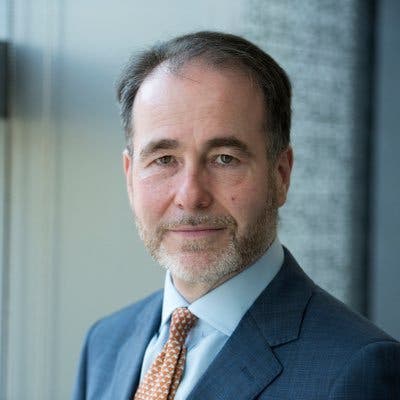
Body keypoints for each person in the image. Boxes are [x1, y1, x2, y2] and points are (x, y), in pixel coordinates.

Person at [72, 31, 400, 400]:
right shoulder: (104, 344)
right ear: (130, 176)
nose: (191, 196)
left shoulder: (356, 370)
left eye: (225, 159)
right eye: (164, 160)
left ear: (280, 175)